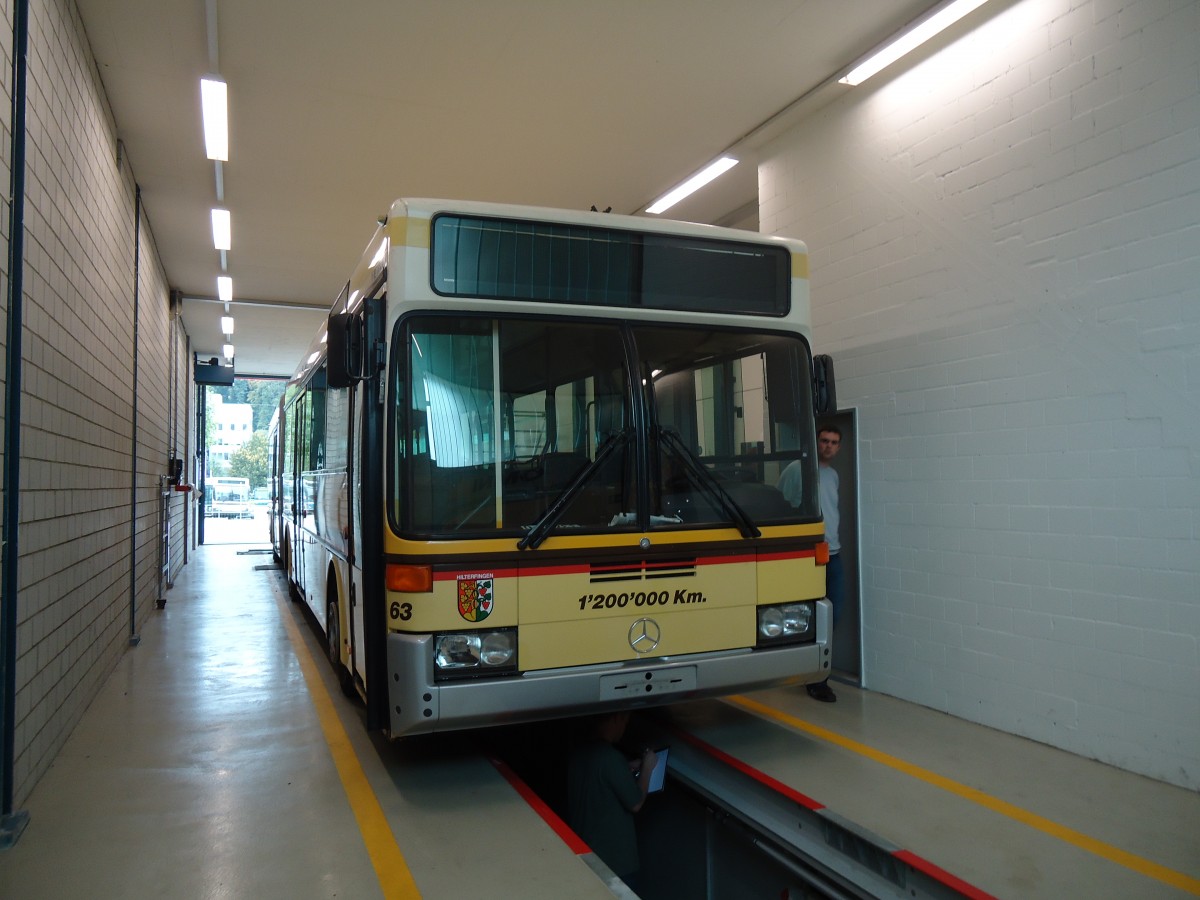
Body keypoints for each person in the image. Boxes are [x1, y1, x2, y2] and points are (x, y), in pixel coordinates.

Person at [566, 712, 657, 890]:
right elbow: (636, 802)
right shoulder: (610, 757)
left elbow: (601, 781)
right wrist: (647, 767)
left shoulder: (579, 754)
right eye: (624, 721)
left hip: (589, 858)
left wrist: (625, 767)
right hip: (617, 863)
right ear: (616, 719)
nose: (624, 728)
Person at [808, 425, 843, 702]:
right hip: (810, 556)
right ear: (815, 442)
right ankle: (817, 681)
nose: (828, 446)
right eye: (824, 441)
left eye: (833, 442)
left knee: (835, 613)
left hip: (834, 554)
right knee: (814, 617)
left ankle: (819, 674)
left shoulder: (832, 475)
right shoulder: (799, 471)